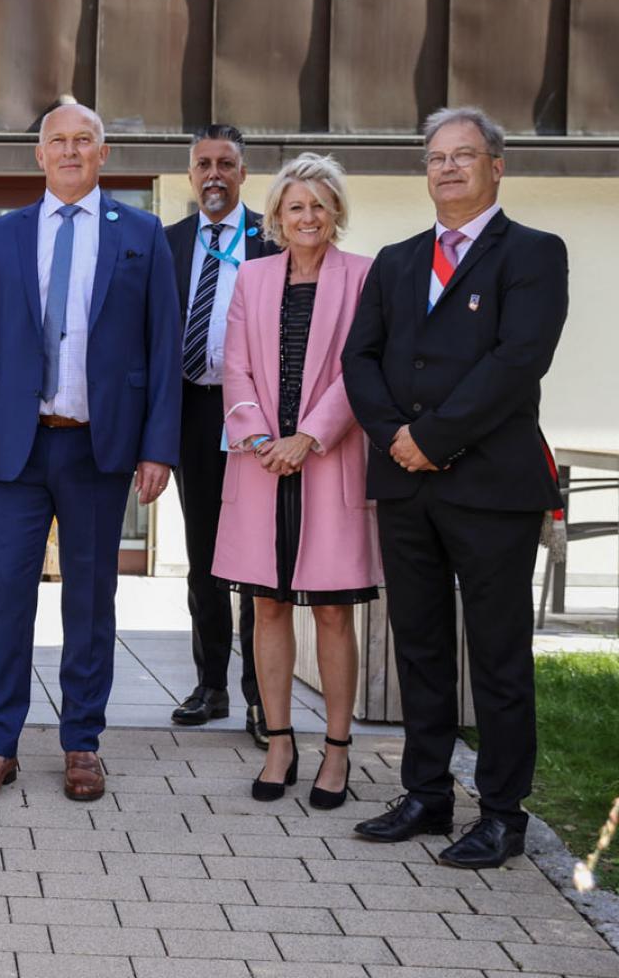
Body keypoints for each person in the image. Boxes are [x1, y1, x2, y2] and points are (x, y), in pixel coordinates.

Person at [343, 107, 568, 869]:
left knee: (500, 655)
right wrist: (394, 440)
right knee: (422, 646)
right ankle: (427, 794)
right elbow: (359, 360)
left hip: (491, 488)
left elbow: (517, 362)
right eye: (436, 158)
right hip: (406, 486)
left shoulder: (535, 254)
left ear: (495, 167)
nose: (447, 168)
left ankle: (504, 813)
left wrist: (432, 439)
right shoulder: (398, 259)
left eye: (463, 156)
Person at [0, 102, 181, 806]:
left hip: (99, 449)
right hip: (16, 451)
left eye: (85, 141)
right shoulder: (4, 237)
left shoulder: (141, 234)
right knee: (9, 597)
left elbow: (164, 350)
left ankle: (82, 741)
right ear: (39, 155)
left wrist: (157, 447)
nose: (72, 151)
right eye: (59, 141)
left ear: (104, 154)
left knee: (91, 600)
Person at [210, 154, 377, 809]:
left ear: (336, 211)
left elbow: (361, 369)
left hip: (327, 459)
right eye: (294, 206)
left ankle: (337, 750)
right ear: (277, 215)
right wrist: (258, 438)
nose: (307, 216)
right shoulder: (251, 278)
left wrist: (309, 436)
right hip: (260, 466)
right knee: (266, 606)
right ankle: (279, 742)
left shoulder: (365, 277)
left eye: (319, 204)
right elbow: (235, 366)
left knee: (334, 611)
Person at [166, 125, 275, 745]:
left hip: (255, 414)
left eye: (225, 164)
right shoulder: (169, 243)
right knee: (204, 555)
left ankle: (264, 696)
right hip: (191, 411)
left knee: (256, 559)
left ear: (242, 172)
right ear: (190, 174)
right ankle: (212, 686)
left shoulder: (273, 238)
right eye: (203, 163)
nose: (214, 174)